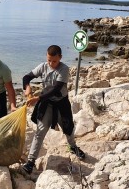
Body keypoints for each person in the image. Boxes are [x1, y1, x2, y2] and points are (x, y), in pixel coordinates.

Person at [21, 44, 85, 174]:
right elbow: (26, 77)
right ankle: (30, 162)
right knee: (40, 132)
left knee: (68, 128)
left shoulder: (64, 69)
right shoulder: (43, 66)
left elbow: (55, 89)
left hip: (61, 103)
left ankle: (72, 146)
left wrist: (37, 99)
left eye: (54, 61)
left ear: (60, 58)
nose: (51, 63)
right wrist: (27, 87)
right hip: (46, 104)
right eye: (49, 60)